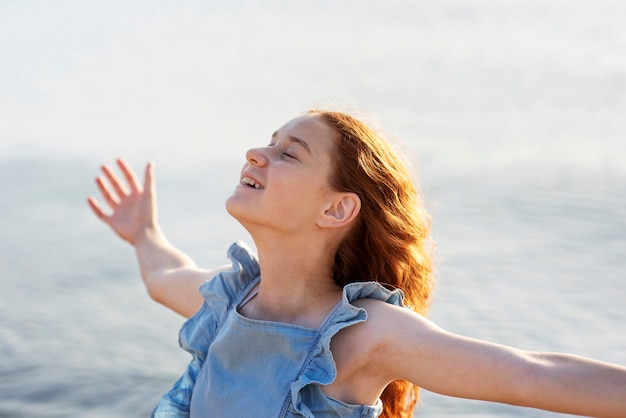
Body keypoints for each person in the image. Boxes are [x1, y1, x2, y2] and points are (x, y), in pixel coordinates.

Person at [88, 110, 626, 418]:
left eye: (289, 153)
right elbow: (162, 276)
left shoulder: (364, 336)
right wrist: (144, 233)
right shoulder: (230, 301)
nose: (257, 153)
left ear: (337, 208)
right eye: (268, 143)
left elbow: (531, 374)